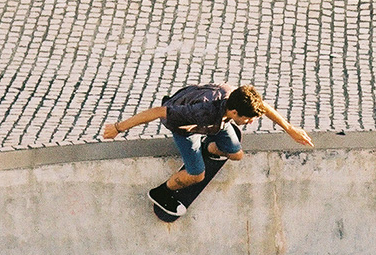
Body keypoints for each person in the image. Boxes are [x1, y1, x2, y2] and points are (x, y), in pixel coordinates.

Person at [103, 83, 313, 214]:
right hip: (187, 128)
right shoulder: (201, 112)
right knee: (197, 175)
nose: (249, 122)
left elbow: (263, 106)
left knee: (237, 155)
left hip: (218, 123)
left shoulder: (235, 95)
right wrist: (118, 128)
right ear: (233, 111)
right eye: (247, 118)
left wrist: (290, 129)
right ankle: (161, 192)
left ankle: (211, 148)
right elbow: (158, 111)